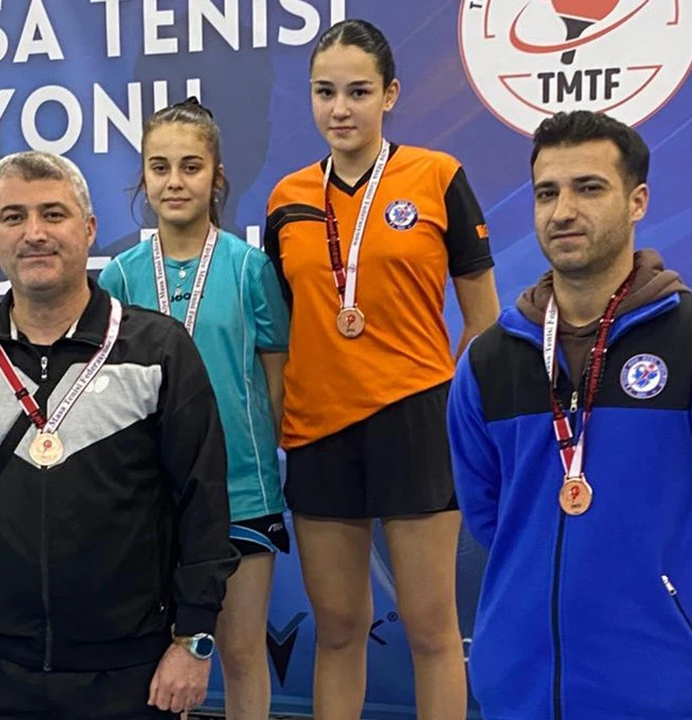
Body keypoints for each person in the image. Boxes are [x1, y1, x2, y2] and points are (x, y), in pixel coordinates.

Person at [446, 110, 692, 719]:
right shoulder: (488, 361)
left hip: (660, 694)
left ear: (637, 201)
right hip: (517, 692)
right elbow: (487, 514)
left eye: (589, 188)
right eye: (546, 193)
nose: (563, 211)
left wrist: (678, 594)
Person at [0, 150, 240, 719]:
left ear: (89, 229)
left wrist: (194, 639)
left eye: (53, 214)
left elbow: (203, 504)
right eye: (14, 217)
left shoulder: (158, 351)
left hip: (131, 670)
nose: (34, 234)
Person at [263, 18, 501, 720]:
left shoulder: (437, 176)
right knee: (339, 630)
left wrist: (447, 408)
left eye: (359, 92)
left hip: (414, 419)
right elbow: (285, 327)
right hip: (318, 430)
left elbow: (483, 320)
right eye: (325, 92)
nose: (340, 109)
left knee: (431, 630)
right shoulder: (286, 198)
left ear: (390, 95)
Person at [99, 97, 289, 720]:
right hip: (150, 494)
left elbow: (275, 381)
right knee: (162, 657)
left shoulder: (250, 268)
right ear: (143, 177)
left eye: (190, 166)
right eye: (160, 167)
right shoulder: (120, 277)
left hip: (241, 491)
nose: (174, 182)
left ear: (217, 176)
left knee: (240, 651)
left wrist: (254, 451)